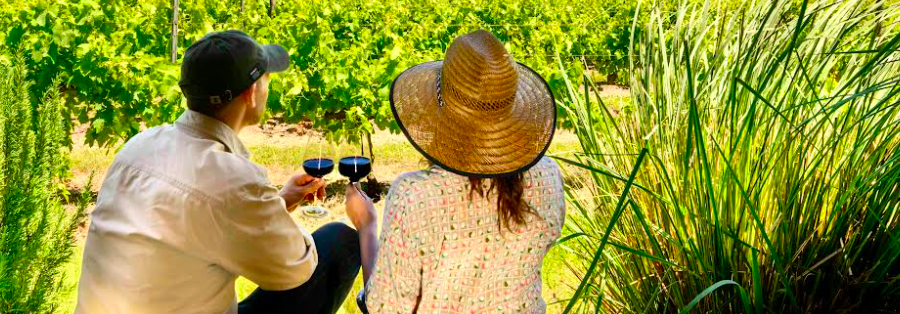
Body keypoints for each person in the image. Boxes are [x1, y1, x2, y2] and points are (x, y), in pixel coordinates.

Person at [75, 30, 378, 314]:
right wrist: (362, 225)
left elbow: (195, 223)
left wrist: (277, 201)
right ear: (251, 93)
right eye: (267, 77)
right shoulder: (234, 181)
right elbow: (294, 269)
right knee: (339, 242)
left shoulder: (138, 146)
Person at [357, 30, 566, 313]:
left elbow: (384, 307)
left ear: (438, 110)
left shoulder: (415, 197)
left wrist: (366, 227)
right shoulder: (548, 176)